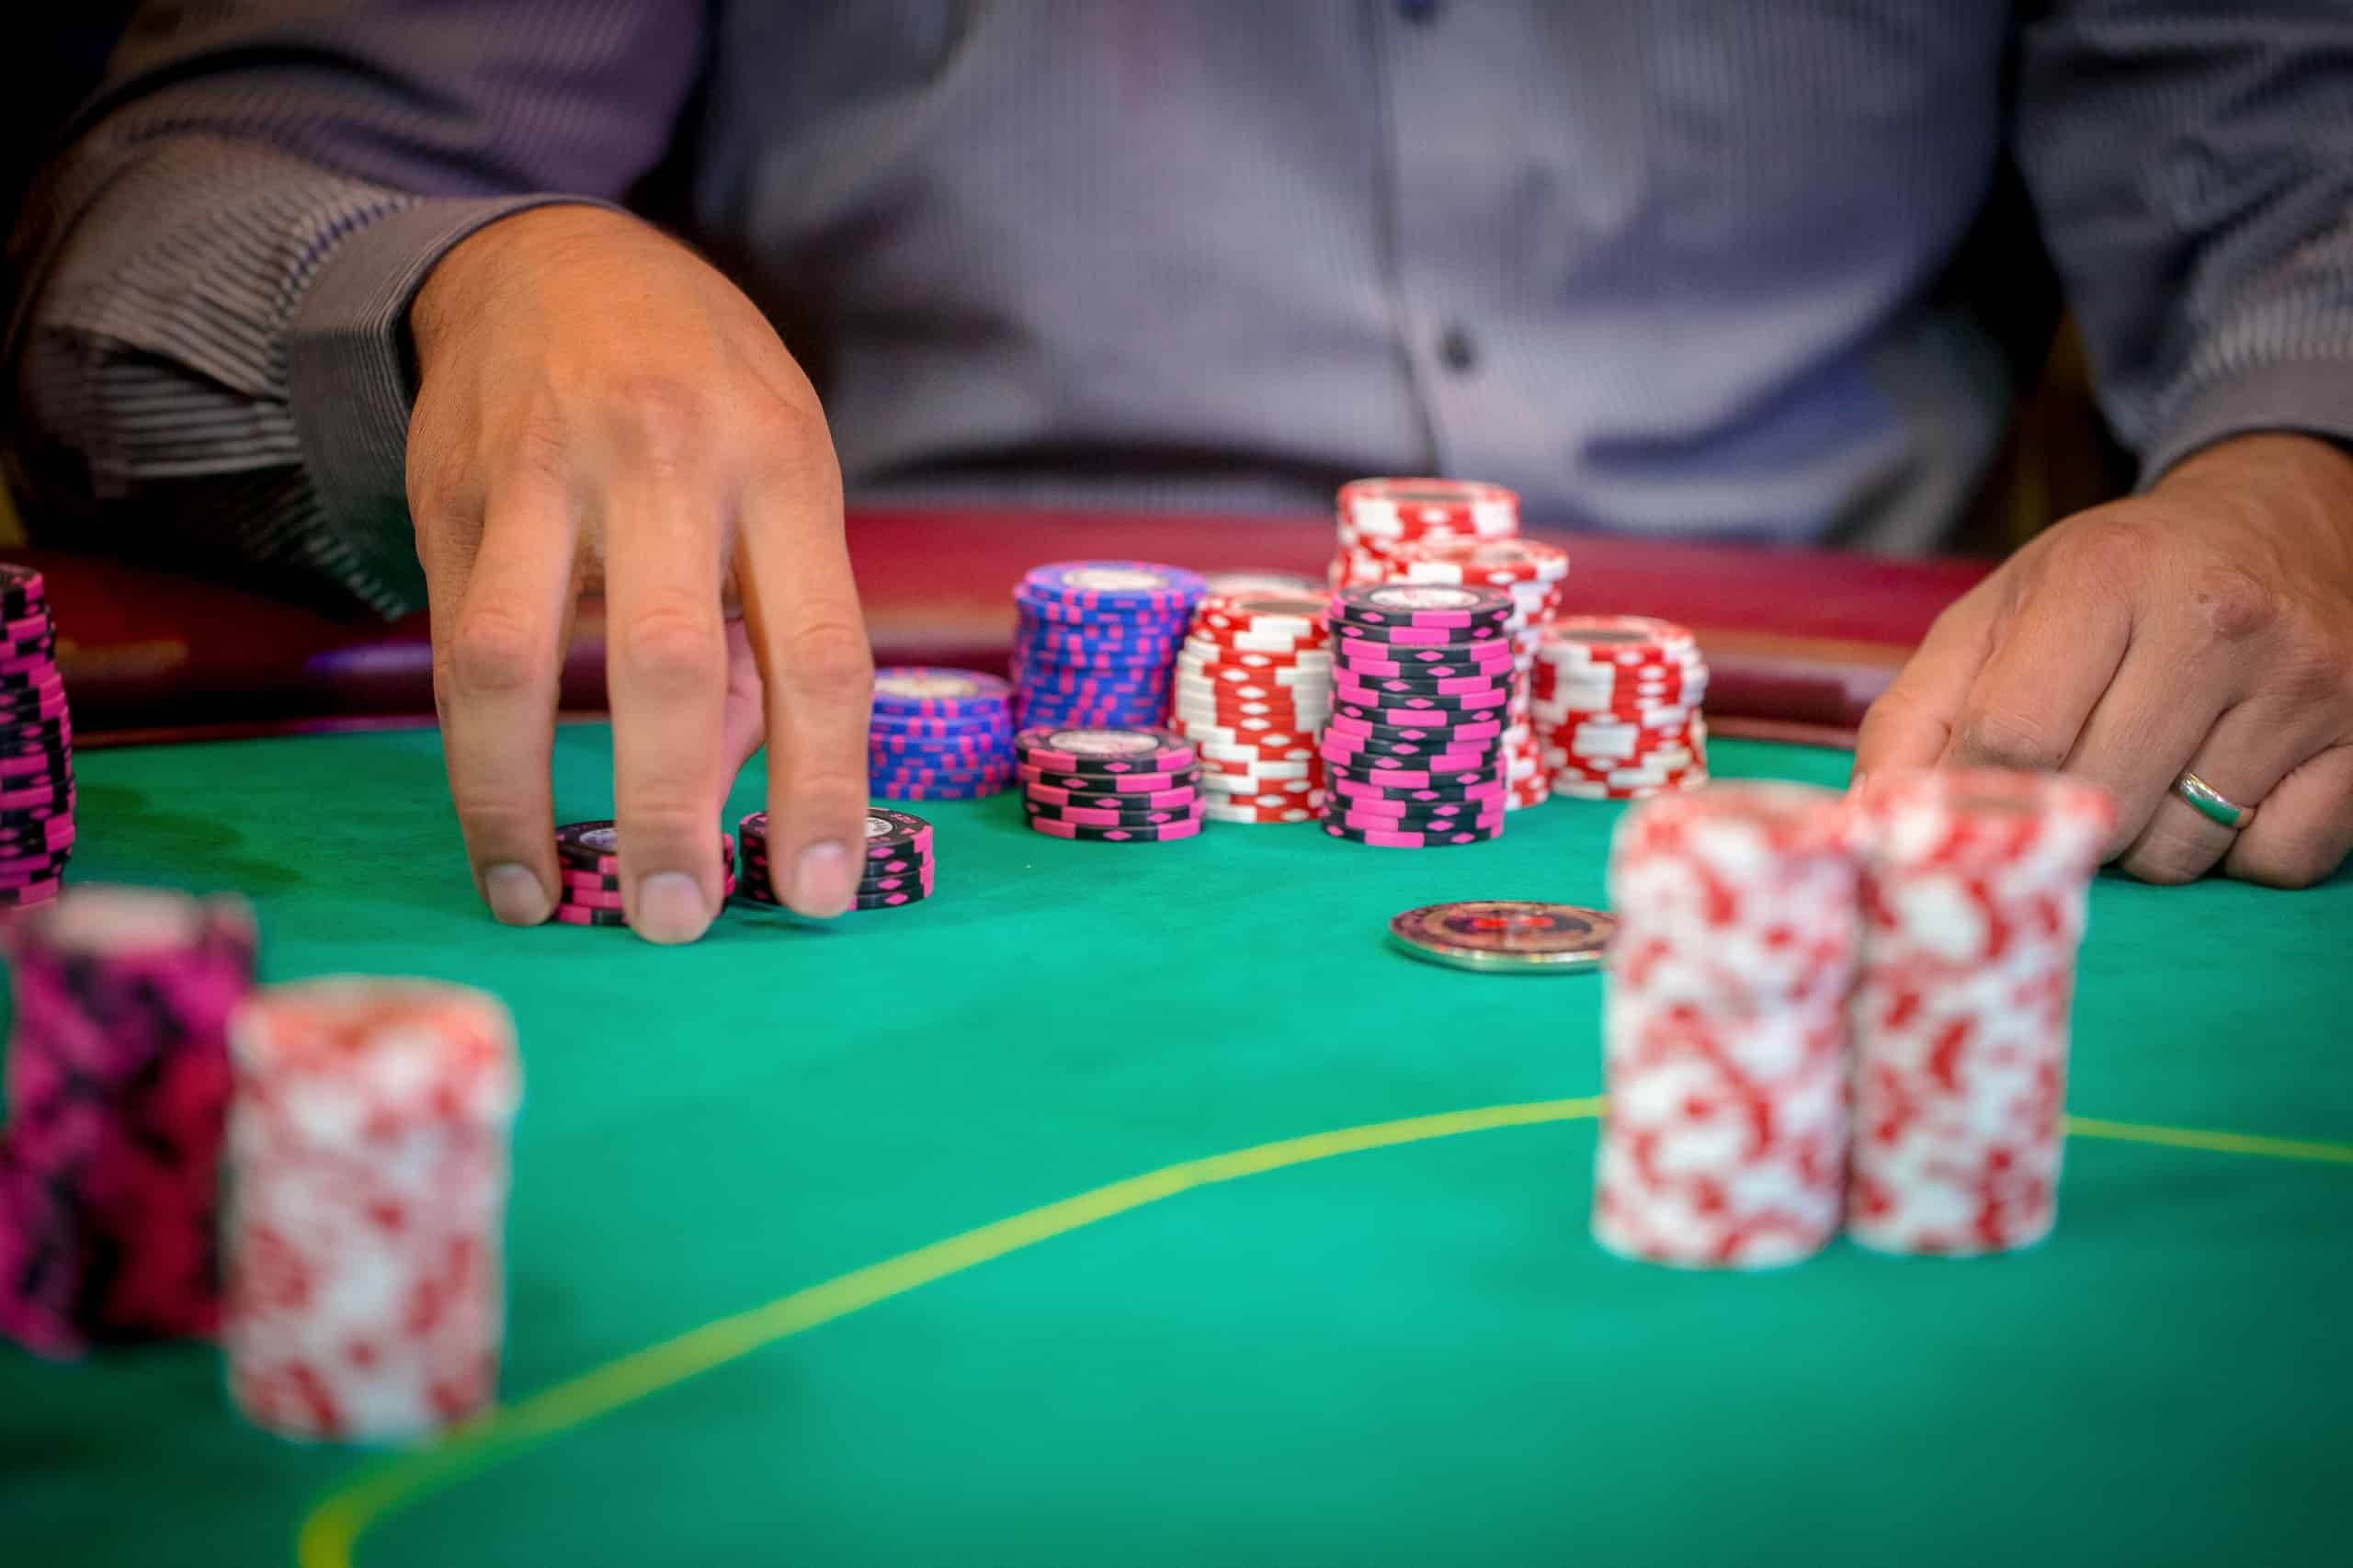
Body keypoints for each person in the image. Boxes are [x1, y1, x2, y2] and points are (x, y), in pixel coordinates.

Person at [7, 3, 2351, 944]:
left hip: (1874, 736)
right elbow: (174, 202)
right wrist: (467, 274)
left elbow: (2289, 152)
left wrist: (2303, 462)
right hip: (927, 704)